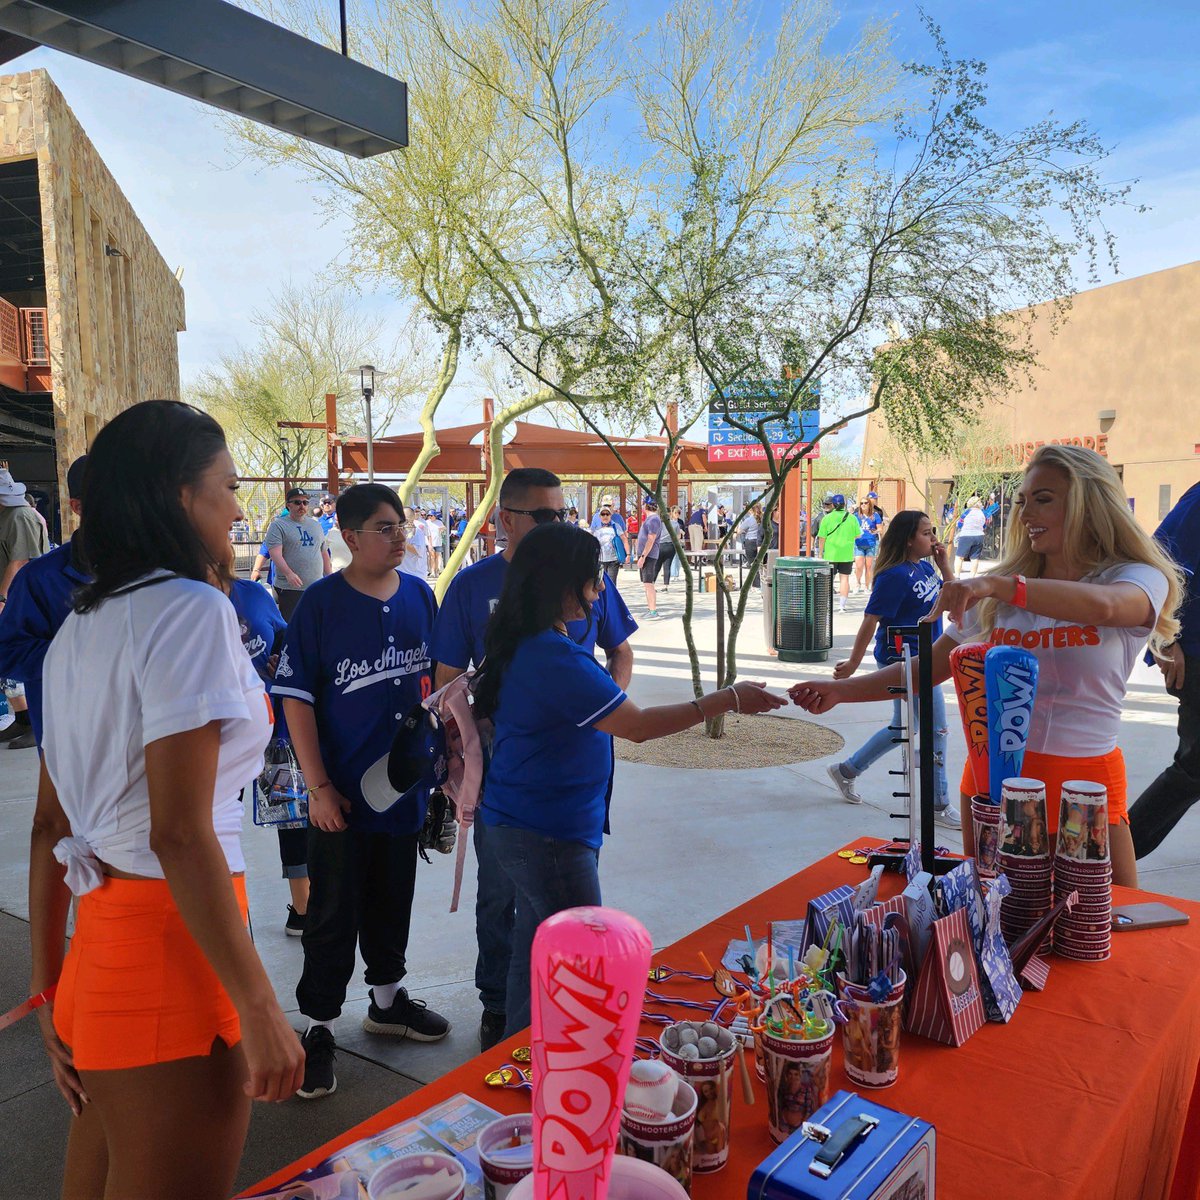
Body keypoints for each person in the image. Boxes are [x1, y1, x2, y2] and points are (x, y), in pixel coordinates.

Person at [29, 401, 304, 1198]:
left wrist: (53, 992)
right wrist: (258, 1002)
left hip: (100, 949)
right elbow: (180, 833)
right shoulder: (189, 611)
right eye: (228, 485)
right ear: (181, 498)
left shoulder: (79, 627)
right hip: (172, 958)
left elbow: (51, 825)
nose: (240, 508)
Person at [789, 445, 1183, 888]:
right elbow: (927, 669)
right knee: (999, 924)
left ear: (1090, 503)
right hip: (993, 781)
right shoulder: (996, 592)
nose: (1025, 512)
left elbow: (1110, 609)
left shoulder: (1130, 576)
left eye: (1044, 498)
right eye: (1022, 501)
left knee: (1099, 929)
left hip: (1085, 784)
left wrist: (1000, 585)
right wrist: (843, 689)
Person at [471, 522, 784, 1033]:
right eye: (593, 578)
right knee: (578, 961)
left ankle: (520, 1062)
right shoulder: (552, 656)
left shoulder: (535, 642)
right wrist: (727, 699)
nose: (600, 589)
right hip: (547, 832)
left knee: (538, 948)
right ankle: (564, 1073)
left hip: (533, 823)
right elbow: (636, 726)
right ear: (560, 584)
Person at [432, 467, 637, 1049]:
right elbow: (447, 686)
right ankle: (501, 1008)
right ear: (505, 521)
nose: (554, 525)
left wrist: (604, 706)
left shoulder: (577, 575)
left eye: (561, 514)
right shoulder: (474, 589)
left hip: (567, 772)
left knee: (540, 913)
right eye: (542, 516)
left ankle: (522, 1034)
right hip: (509, 773)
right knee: (506, 895)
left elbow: (618, 650)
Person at [273, 483, 450, 1100]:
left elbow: (437, 690)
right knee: (331, 912)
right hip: (340, 795)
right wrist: (317, 787)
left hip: (402, 791)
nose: (399, 536)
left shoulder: (421, 597)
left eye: (400, 525)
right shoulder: (319, 605)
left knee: (391, 897)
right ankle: (318, 1026)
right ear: (347, 537)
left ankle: (386, 1000)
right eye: (383, 527)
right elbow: (294, 700)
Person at [823, 512, 959, 828]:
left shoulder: (924, 566)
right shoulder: (894, 576)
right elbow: (870, 620)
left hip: (926, 657)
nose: (933, 538)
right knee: (936, 729)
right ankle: (938, 803)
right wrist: (854, 663)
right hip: (904, 661)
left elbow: (952, 597)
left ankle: (846, 770)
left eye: (933, 531)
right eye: (927, 533)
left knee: (904, 728)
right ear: (909, 538)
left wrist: (944, 565)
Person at [224, 564, 309, 935]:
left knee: (291, 814)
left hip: (274, 730)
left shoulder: (254, 593)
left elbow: (284, 639)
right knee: (218, 823)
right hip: (216, 739)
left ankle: (303, 910)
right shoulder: (176, 602)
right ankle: (225, 915)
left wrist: (280, 660)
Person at [1129, 481, 1200, 858]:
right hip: (1194, 654)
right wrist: (1164, 640)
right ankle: (1108, 858)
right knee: (1195, 766)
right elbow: (1159, 563)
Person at [0, 456, 89, 749]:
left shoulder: (162, 572)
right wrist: (87, 655)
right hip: (71, 749)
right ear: (77, 506)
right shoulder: (39, 581)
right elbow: (9, 651)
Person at [0, 460, 50, 748]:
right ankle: (22, 720)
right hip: (12, 596)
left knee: (20, 658)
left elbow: (19, 561)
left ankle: (33, 721)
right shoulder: (7, 515)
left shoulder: (19, 517)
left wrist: (3, 598)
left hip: (18, 598)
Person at [264, 489, 331, 620]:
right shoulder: (278, 525)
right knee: (292, 625)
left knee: (315, 624)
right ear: (288, 505)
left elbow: (323, 551)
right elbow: (275, 554)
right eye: (297, 502)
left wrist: (330, 577)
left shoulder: (315, 525)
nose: (302, 506)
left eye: (305, 502)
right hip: (290, 589)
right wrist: (289, 573)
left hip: (315, 586)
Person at [817, 494, 857, 613]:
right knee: (844, 579)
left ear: (833, 505)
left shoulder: (827, 518)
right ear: (844, 505)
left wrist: (820, 553)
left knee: (828, 580)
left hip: (831, 553)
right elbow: (858, 534)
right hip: (847, 553)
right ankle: (842, 606)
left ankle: (827, 605)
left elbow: (822, 537)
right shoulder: (851, 518)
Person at [635, 497, 664, 618]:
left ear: (645, 506)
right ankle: (650, 609)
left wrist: (643, 556)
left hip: (649, 556)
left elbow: (651, 539)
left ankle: (653, 611)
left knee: (648, 583)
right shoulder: (650, 519)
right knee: (646, 583)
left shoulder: (653, 520)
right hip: (647, 555)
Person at [853, 495, 885, 594]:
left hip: (871, 543)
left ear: (869, 504)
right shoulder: (856, 516)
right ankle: (858, 583)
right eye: (861, 503)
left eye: (865, 503)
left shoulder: (875, 515)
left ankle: (866, 586)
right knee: (859, 566)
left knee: (869, 566)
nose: (863, 505)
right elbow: (852, 528)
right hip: (859, 543)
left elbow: (880, 529)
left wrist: (875, 531)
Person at [592, 504, 628, 585]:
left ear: (610, 515)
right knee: (600, 584)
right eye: (603, 514)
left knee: (611, 583)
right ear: (600, 516)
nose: (605, 516)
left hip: (613, 560)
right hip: (600, 560)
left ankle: (611, 597)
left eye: (607, 514)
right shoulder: (596, 529)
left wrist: (628, 554)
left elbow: (625, 540)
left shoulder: (616, 526)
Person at [955, 496, 987, 577]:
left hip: (966, 535)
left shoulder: (966, 512)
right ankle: (972, 577)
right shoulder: (983, 513)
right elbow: (984, 525)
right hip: (979, 536)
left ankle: (957, 576)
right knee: (974, 558)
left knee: (959, 557)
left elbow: (959, 524)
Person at [400, 504, 429, 579]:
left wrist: (402, 541)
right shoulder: (402, 531)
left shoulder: (417, 532)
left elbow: (417, 550)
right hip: (402, 574)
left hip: (414, 575)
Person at [740, 503, 764, 588]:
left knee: (752, 564)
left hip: (750, 543)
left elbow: (740, 530)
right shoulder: (763, 518)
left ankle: (756, 585)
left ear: (751, 510)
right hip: (761, 543)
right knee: (760, 564)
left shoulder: (749, 519)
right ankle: (761, 583)